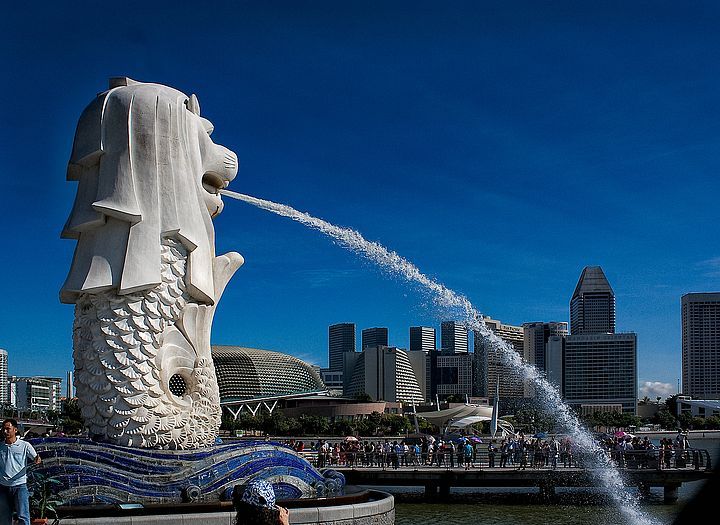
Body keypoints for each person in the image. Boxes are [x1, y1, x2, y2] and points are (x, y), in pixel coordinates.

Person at [0, 418, 41, 525]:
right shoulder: (0, 446)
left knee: (23, 516)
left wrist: (37, 459)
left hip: (20, 486)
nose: (5, 432)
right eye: (3, 429)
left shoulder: (25, 445)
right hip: (3, 486)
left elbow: (36, 458)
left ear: (15, 430)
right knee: (4, 516)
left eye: (8, 429)